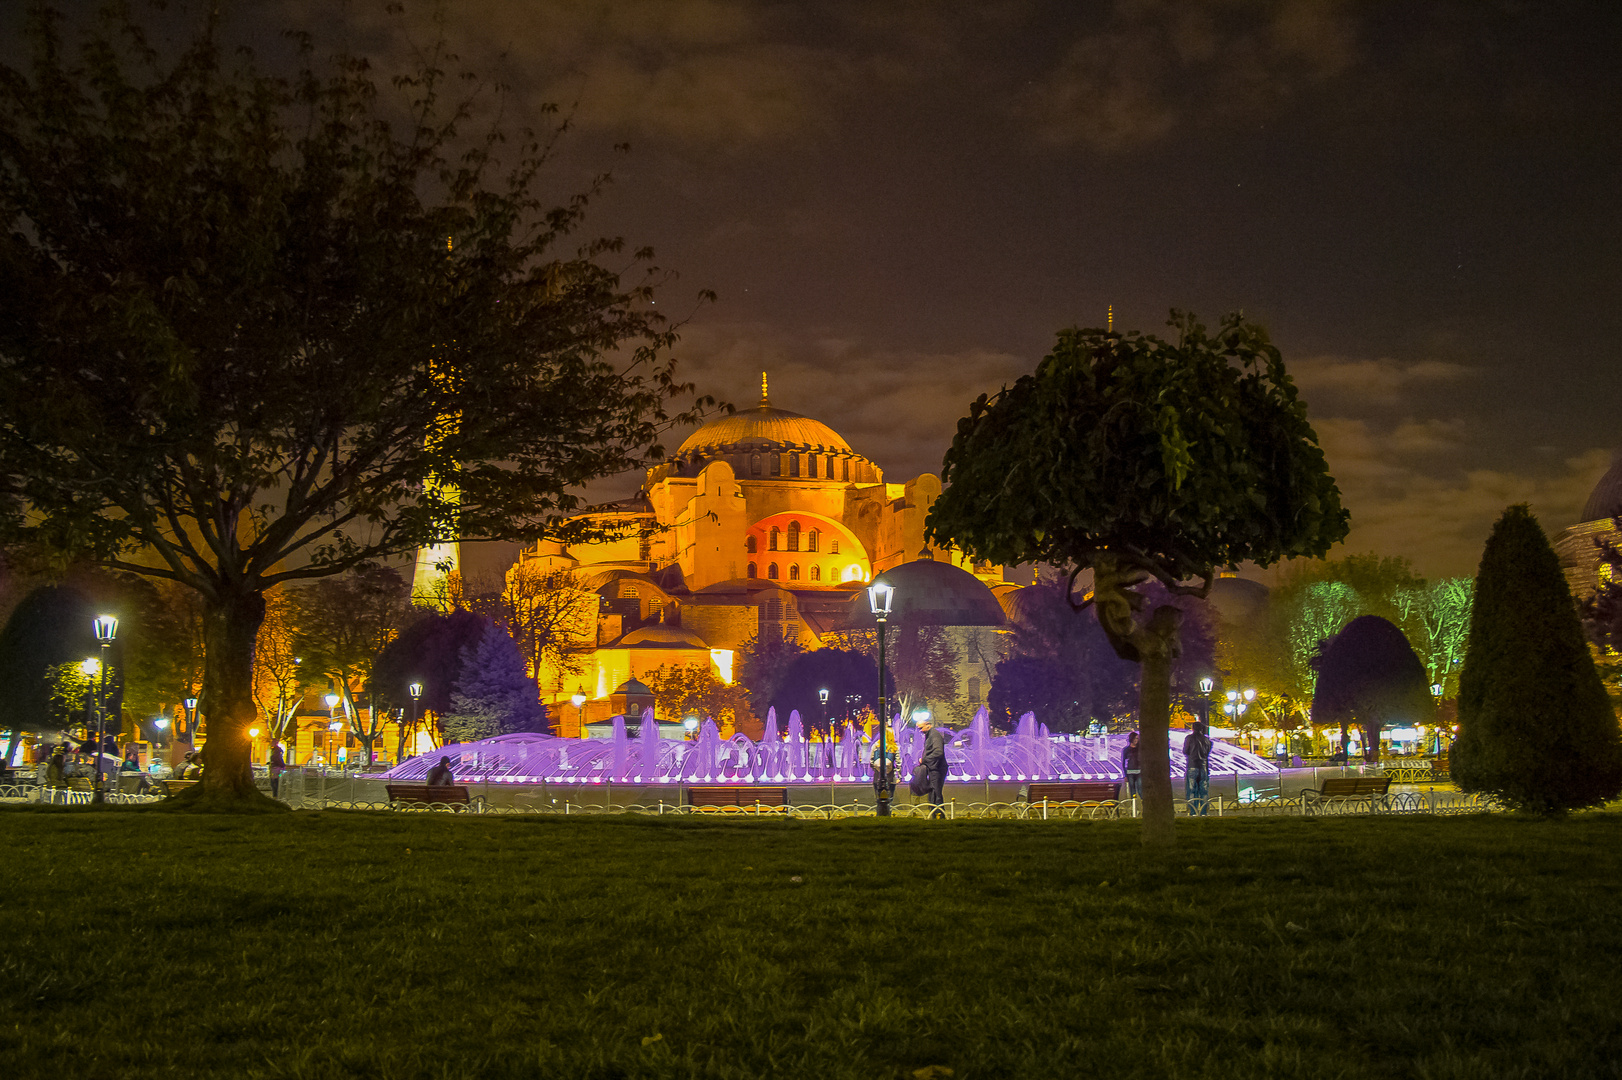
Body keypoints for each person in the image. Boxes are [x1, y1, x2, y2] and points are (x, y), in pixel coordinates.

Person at [917, 716, 951, 817]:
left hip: (937, 769)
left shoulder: (934, 735)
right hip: (934, 768)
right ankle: (936, 815)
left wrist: (925, 760)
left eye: (921, 728)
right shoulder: (930, 734)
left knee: (936, 793)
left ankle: (939, 815)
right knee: (934, 792)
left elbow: (938, 752)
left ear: (928, 725)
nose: (920, 730)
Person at [1182, 720, 1213, 817]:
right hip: (1203, 767)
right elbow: (1207, 753)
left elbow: (1185, 751)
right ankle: (1204, 812)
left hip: (1192, 766)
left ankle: (1193, 811)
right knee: (1203, 790)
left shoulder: (1189, 738)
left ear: (1193, 728)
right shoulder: (1207, 740)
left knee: (1192, 790)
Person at [1122, 731, 1142, 798]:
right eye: (1135, 738)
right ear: (1131, 739)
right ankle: (1134, 805)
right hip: (1130, 772)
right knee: (1132, 790)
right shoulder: (1126, 750)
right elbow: (1123, 762)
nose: (1137, 740)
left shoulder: (1140, 749)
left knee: (1140, 789)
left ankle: (1143, 803)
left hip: (1139, 771)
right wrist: (1125, 775)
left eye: (1138, 738)